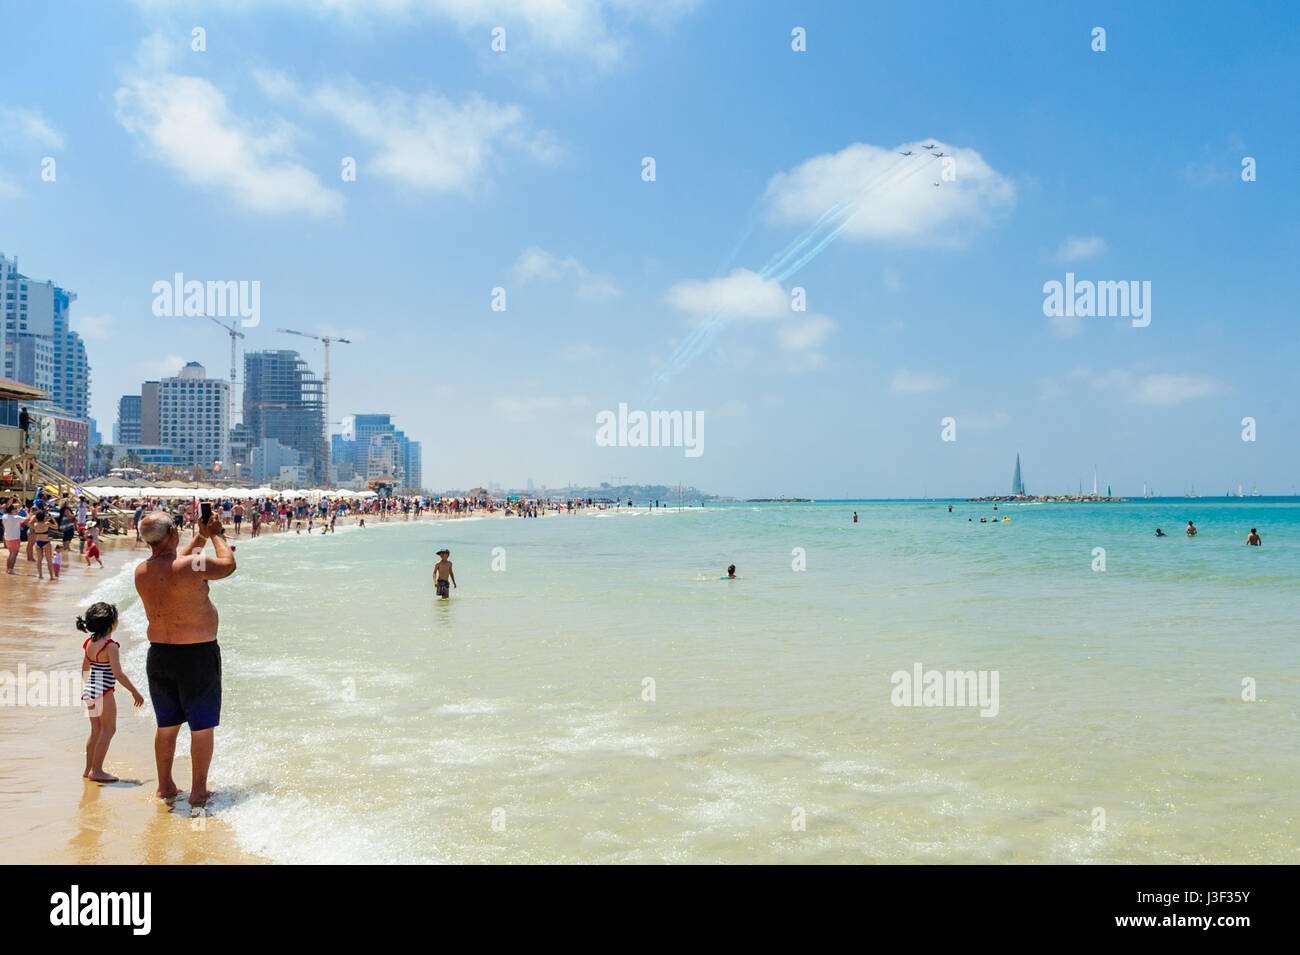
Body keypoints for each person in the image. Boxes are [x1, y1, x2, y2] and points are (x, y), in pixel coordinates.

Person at [134, 510, 235, 804]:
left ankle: (165, 786)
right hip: (196, 655)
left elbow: (175, 563)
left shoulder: (143, 570)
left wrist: (200, 537)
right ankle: (198, 790)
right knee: (201, 727)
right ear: (172, 535)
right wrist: (216, 533)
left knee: (167, 726)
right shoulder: (191, 566)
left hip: (160, 656)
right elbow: (228, 565)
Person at [78, 602, 144, 783]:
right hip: (103, 691)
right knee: (109, 729)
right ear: (111, 624)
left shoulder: (89, 642)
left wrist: (89, 688)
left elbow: (85, 668)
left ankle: (88, 769)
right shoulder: (110, 645)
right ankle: (97, 771)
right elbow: (118, 674)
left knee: (96, 730)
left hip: (90, 690)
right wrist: (134, 692)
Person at [2, 503, 23, 574]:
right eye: (15, 509)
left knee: (11, 553)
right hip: (14, 537)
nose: (16, 510)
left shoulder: (4, 516)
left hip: (8, 537)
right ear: (11, 510)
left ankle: (8, 569)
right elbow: (27, 519)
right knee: (14, 554)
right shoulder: (16, 518)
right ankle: (11, 569)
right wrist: (26, 512)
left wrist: (16, 512)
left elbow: (12, 517)